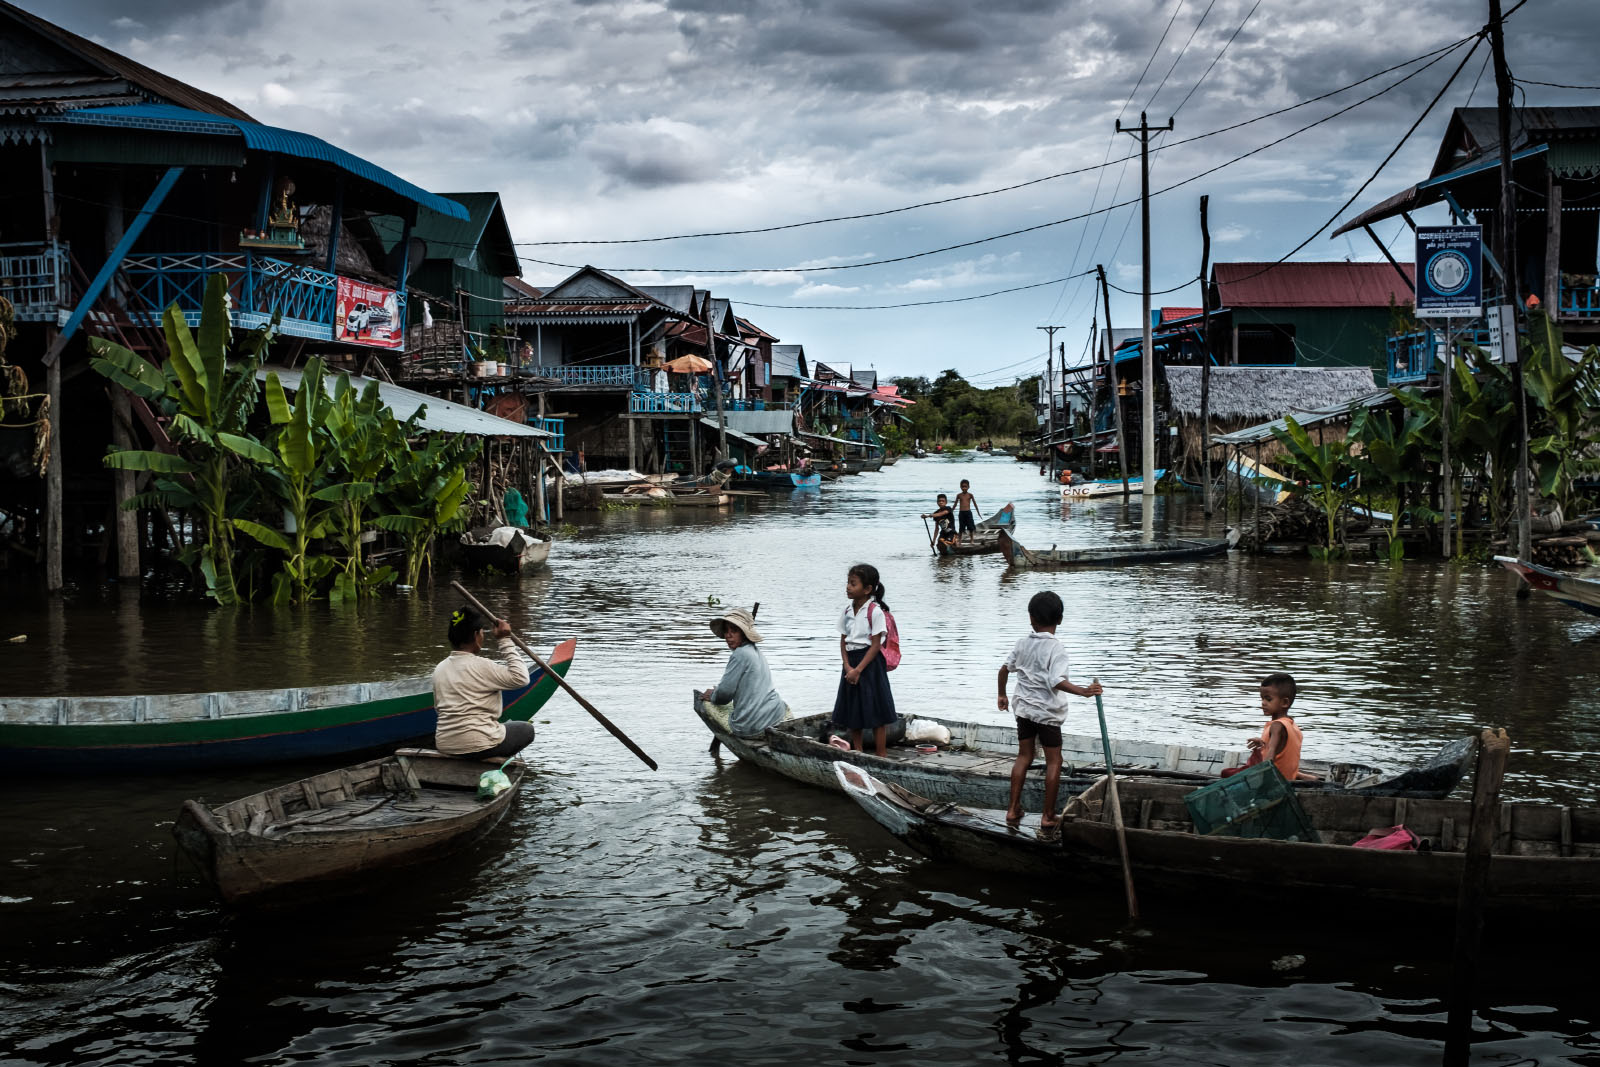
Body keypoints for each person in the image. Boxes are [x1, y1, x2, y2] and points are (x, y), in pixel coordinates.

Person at [997, 590, 1104, 831]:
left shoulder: (1022, 643)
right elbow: (1057, 681)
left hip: (1024, 710)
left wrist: (1002, 695)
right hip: (1047, 714)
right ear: (1060, 619)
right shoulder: (1057, 648)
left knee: (1024, 756)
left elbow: (1003, 670)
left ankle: (1013, 809)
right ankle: (1048, 815)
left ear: (1031, 618)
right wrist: (1084, 691)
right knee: (1054, 760)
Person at [431, 606, 534, 760]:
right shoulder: (482, 666)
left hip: (445, 743)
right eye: (482, 633)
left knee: (503, 728)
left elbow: (439, 709)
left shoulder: (439, 669)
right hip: (479, 744)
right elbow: (522, 678)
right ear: (476, 635)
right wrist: (505, 640)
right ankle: (492, 763)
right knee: (526, 730)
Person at [833, 562, 897, 755]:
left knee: (876, 709)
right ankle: (858, 751)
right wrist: (847, 666)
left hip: (869, 663)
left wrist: (858, 670)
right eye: (848, 583)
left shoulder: (874, 611)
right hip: (851, 661)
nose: (848, 587)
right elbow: (843, 641)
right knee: (854, 708)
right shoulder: (847, 611)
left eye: (853, 584)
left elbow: (876, 645)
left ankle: (881, 754)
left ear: (868, 589)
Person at [699, 607, 789, 738]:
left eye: (734, 631)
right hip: (776, 713)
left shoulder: (739, 654)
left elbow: (724, 695)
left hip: (751, 726)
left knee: (709, 704)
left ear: (743, 633)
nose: (728, 636)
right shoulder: (756, 652)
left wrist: (712, 695)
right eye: (726, 631)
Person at [1221, 673, 1319, 780]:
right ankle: (1309, 778)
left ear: (1285, 702)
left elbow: (1270, 758)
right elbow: (1281, 751)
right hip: (1288, 777)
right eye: (1262, 699)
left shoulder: (1276, 726)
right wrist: (1263, 744)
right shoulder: (1292, 726)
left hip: (1273, 782)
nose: (1263, 703)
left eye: (1268, 699)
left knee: (1226, 773)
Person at [955, 479, 979, 544]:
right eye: (963, 486)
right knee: (961, 528)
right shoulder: (959, 495)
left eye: (965, 486)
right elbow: (955, 504)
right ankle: (959, 541)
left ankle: (972, 540)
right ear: (960, 487)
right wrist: (950, 511)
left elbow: (975, 504)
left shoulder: (970, 495)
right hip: (961, 513)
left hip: (968, 512)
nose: (964, 488)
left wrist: (978, 512)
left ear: (968, 487)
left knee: (971, 527)